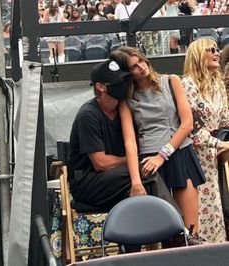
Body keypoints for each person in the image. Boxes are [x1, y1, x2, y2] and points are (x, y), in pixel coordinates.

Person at [109, 46, 206, 244]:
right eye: (134, 66)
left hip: (178, 152)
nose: (141, 67)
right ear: (127, 72)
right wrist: (136, 181)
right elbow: (130, 141)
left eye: (141, 61)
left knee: (190, 232)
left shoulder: (171, 81)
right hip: (149, 163)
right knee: (160, 234)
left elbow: (187, 124)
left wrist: (162, 155)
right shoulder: (126, 99)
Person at [68, 59, 178, 213]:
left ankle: (165, 232)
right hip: (87, 183)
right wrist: (133, 161)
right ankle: (178, 229)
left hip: (115, 179)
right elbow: (101, 163)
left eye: (125, 79)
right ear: (100, 87)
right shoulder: (88, 115)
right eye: (117, 81)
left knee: (145, 178)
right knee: (143, 172)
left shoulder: (123, 111)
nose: (124, 84)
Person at [182, 37, 229, 242]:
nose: (217, 53)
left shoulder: (217, 84)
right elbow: (190, 129)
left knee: (216, 207)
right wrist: (220, 143)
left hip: (214, 154)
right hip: (194, 156)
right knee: (202, 208)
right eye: (211, 50)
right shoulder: (187, 85)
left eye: (217, 49)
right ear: (199, 54)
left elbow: (224, 120)